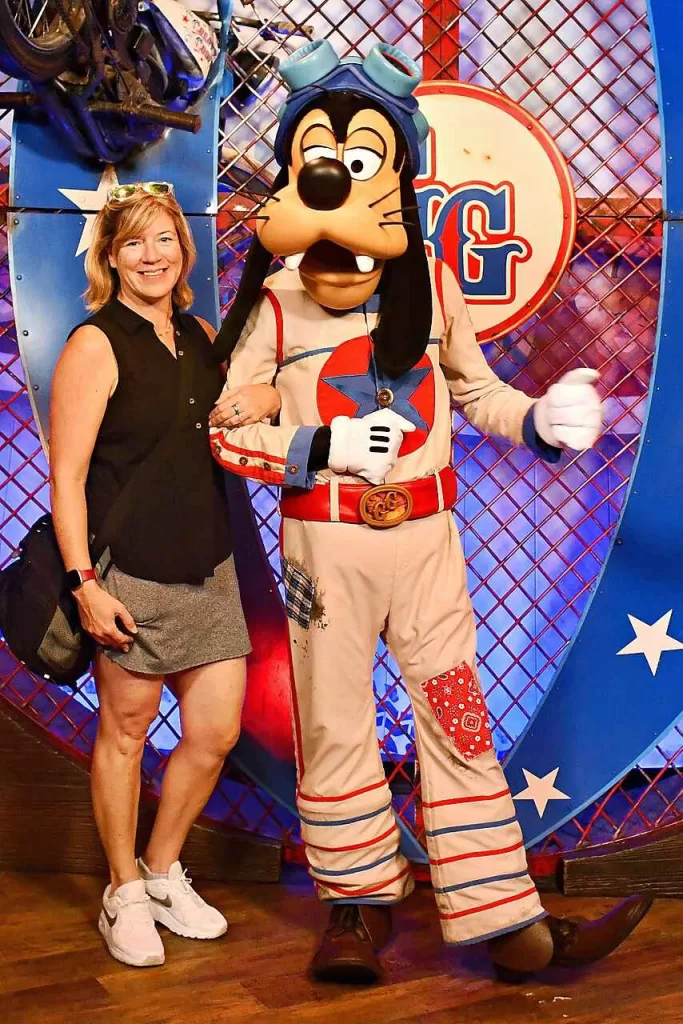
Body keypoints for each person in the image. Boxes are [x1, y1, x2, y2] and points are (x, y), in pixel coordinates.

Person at [209, 41, 652, 983]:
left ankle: (501, 919)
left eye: (363, 158)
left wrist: (535, 418)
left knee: (455, 718)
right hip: (322, 546)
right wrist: (315, 447)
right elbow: (225, 430)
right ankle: (356, 909)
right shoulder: (279, 303)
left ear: (397, 174)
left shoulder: (433, 284)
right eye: (318, 159)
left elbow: (475, 393)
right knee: (332, 725)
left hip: (424, 544)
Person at [49, 181, 280, 968]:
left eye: (165, 241)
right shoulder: (95, 343)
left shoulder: (199, 331)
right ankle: (121, 893)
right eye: (133, 243)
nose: (152, 256)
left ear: (184, 252)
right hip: (130, 574)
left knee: (212, 736)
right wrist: (85, 582)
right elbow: (68, 477)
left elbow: (247, 407)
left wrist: (264, 392)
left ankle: (159, 870)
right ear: (110, 259)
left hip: (208, 566)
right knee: (124, 734)